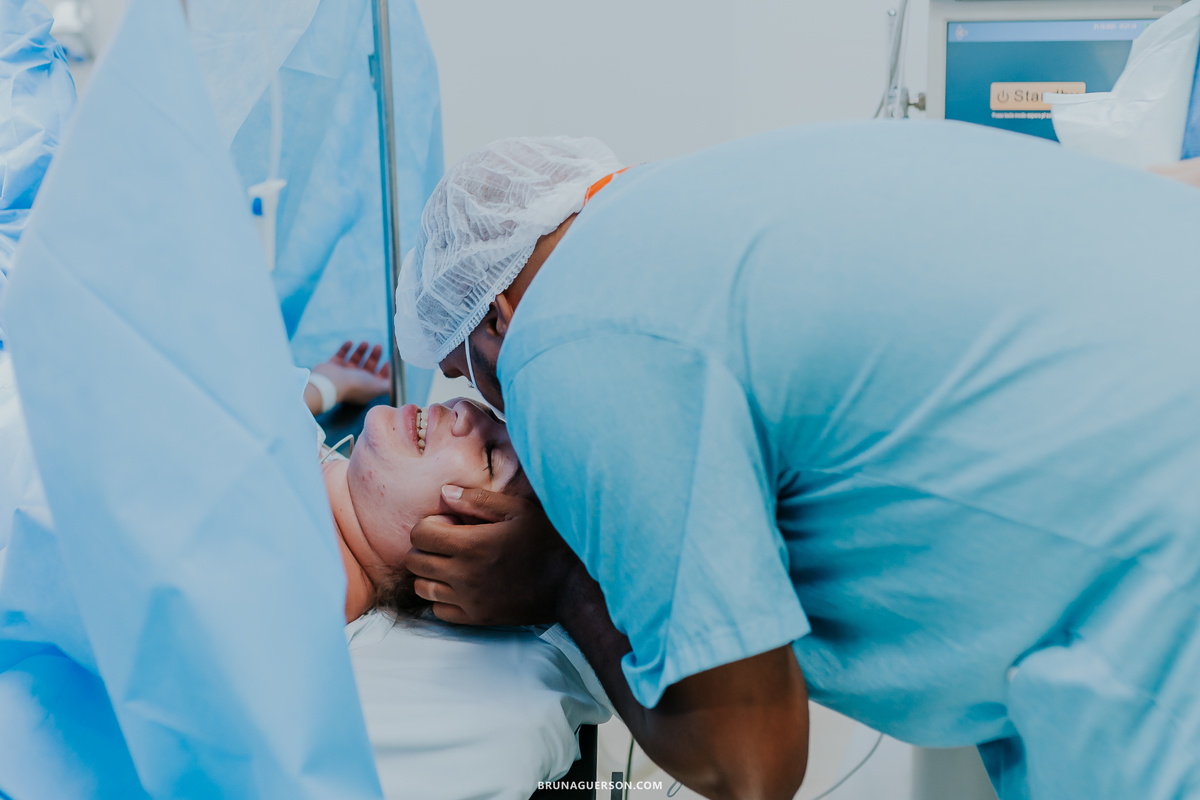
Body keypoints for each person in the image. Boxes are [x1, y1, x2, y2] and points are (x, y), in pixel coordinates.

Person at [392, 129, 1200, 800]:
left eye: (473, 380)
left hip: (1155, 549)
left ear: (497, 313)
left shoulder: (566, 341)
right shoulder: (715, 196)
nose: (487, 412)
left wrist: (560, 584)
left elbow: (753, 765)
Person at [321, 395, 530, 623]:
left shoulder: (310, 587)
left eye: (491, 456)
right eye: (494, 414)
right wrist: (327, 388)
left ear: (452, 541)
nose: (467, 407)